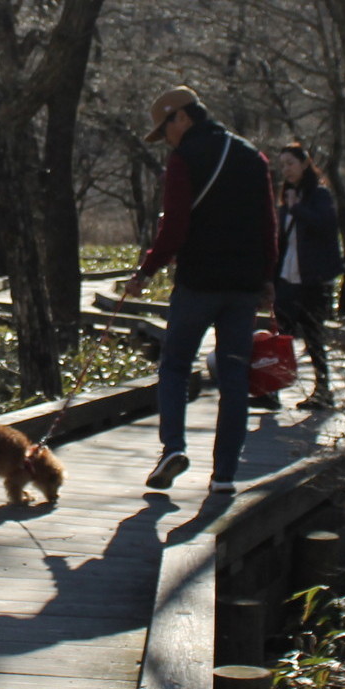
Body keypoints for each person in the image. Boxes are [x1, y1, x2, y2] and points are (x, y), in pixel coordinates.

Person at [122, 86, 278, 495]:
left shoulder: (183, 160)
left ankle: (173, 448)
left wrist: (146, 270)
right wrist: (267, 279)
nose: (166, 139)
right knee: (233, 378)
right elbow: (268, 224)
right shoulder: (252, 157)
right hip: (242, 288)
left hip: (198, 284)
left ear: (183, 118)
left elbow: (174, 227)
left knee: (175, 365)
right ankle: (224, 475)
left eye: (165, 129)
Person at [274, 142, 345, 411]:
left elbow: (325, 225)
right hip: (288, 275)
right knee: (281, 333)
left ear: (305, 163)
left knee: (314, 335)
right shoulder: (288, 196)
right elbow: (282, 240)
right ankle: (273, 387)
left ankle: (323, 390)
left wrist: (296, 209)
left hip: (313, 278)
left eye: (290, 163)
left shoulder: (319, 195)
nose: (286, 170)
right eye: (282, 165)